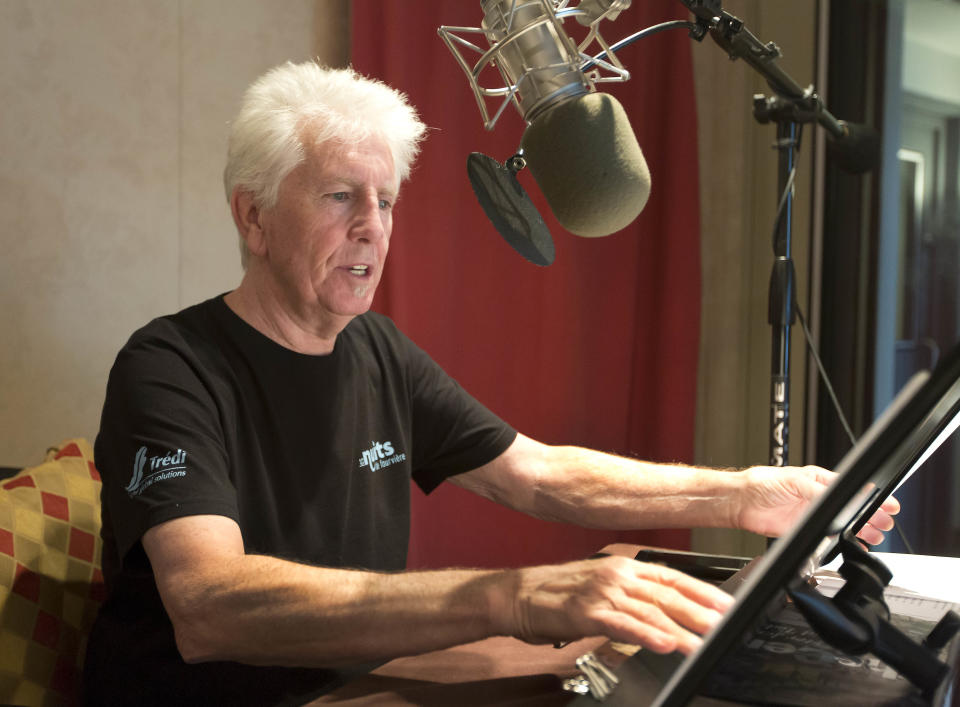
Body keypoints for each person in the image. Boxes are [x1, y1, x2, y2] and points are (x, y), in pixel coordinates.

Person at [82, 60, 898, 706]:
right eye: (340, 196)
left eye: (386, 201)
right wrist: (518, 595)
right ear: (252, 217)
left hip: (359, 687)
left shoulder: (377, 350)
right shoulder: (169, 367)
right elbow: (209, 603)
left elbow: (536, 471)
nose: (373, 227)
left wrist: (744, 494)